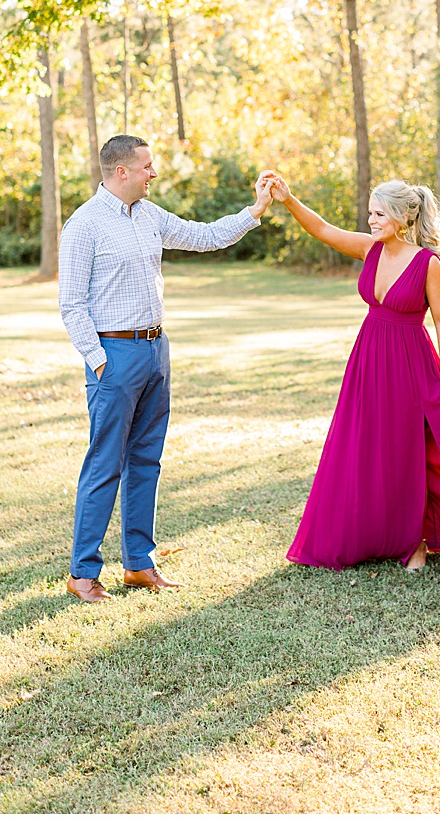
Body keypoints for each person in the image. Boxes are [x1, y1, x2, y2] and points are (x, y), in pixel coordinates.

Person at [262, 173, 440, 573]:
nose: (371, 221)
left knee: (410, 449)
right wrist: (289, 200)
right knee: (366, 448)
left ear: (401, 216)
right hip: (368, 361)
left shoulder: (427, 263)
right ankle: (372, 534)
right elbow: (324, 230)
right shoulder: (370, 251)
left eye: (379, 213)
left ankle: (415, 542)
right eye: (370, 213)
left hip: (412, 364)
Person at [57, 134, 274, 602]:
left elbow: (205, 235)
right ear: (122, 172)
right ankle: (82, 573)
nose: (153, 173)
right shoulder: (84, 226)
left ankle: (138, 564)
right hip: (114, 359)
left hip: (157, 350)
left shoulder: (150, 216)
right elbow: (71, 305)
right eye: (147, 167)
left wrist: (254, 210)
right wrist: (99, 363)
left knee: (146, 460)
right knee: (104, 463)